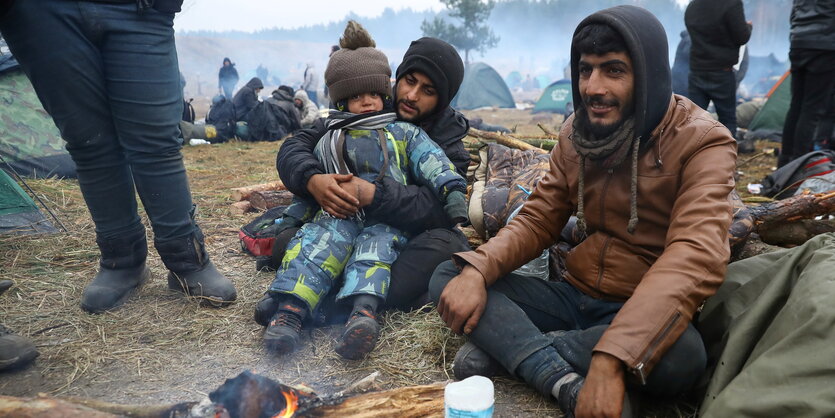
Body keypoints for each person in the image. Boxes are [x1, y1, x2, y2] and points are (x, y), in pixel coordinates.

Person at [429, 6, 736, 417]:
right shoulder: (578, 133)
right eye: (585, 70)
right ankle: (563, 379)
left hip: (637, 303)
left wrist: (612, 355)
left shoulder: (702, 142)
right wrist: (481, 269)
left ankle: (518, 352)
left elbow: (695, 253)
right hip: (573, 294)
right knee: (452, 275)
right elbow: (539, 217)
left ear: (649, 76)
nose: (593, 87)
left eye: (613, 70)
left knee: (683, 356)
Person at [0, 0, 237, 314]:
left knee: (157, 141)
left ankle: (187, 261)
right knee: (89, 140)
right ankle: (122, 261)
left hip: (138, 9)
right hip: (41, 12)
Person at [261, 21, 468, 360]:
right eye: (410, 82)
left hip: (399, 233)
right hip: (340, 222)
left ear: (442, 100)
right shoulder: (360, 109)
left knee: (446, 248)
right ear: (396, 78)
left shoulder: (448, 141)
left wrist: (374, 194)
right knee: (289, 241)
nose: (413, 95)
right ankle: (313, 300)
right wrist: (315, 181)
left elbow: (438, 208)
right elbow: (295, 147)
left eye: (428, 91)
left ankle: (304, 304)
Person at [778, 0, 835, 167]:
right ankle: (798, 167)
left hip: (799, 43)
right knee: (812, 109)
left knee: (796, 105)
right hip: (825, 47)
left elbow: (794, 14)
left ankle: (784, 163)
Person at [685, 0, 752, 138]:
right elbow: (742, 36)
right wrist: (748, 27)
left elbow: (691, 28)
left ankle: (693, 157)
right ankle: (726, 158)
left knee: (694, 121)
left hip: (697, 70)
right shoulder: (731, 3)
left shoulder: (693, 5)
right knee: (727, 121)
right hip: (722, 72)